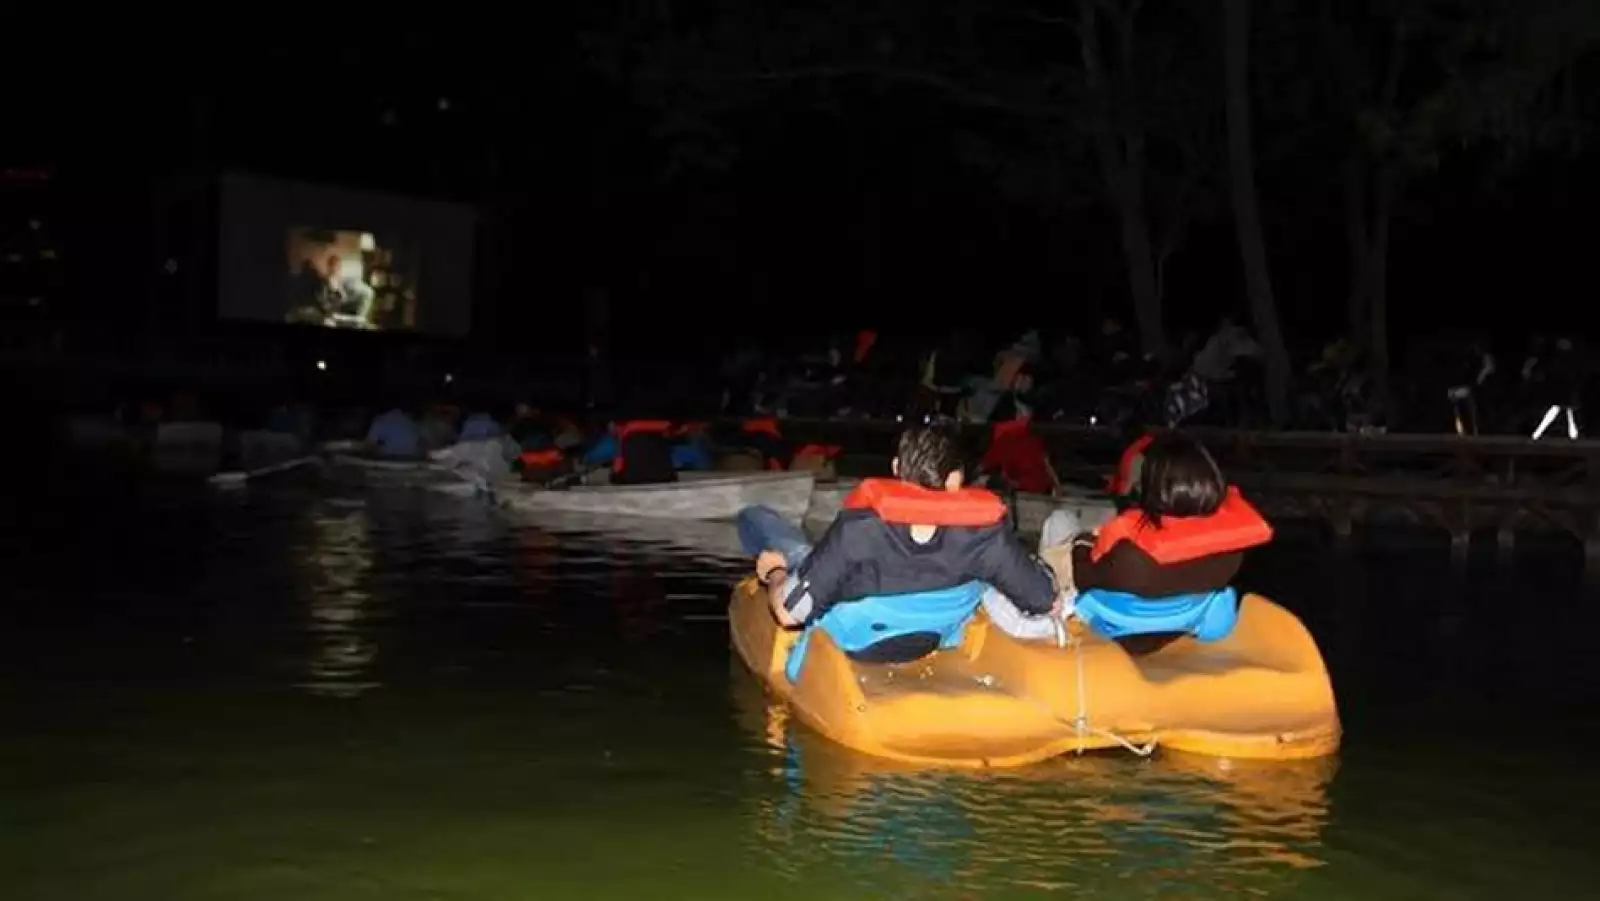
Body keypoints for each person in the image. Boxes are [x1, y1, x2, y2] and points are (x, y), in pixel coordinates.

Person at [740, 424, 1065, 675]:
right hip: (932, 635)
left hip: (857, 638)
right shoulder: (987, 535)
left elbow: (786, 613)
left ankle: (755, 514)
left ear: (896, 467)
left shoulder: (859, 528)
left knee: (778, 538)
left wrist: (776, 573)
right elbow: (1044, 601)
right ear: (955, 479)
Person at [1055, 430, 1272, 654]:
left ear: (1152, 486)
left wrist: (1082, 543)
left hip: (1124, 628)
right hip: (1184, 620)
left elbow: (1085, 576)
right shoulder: (1231, 548)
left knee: (1061, 523)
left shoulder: (1128, 546)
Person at [978, 396, 1059, 496]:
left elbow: (1044, 473)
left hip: (1033, 493)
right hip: (1013, 491)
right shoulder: (1008, 437)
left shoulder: (1039, 442)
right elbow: (986, 463)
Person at [582, 418, 678, 485]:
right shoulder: (663, 426)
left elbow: (592, 457)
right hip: (664, 476)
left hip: (632, 477)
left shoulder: (622, 431)